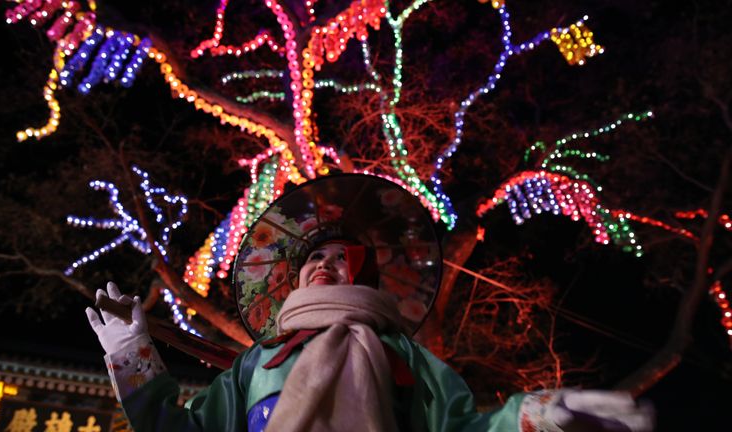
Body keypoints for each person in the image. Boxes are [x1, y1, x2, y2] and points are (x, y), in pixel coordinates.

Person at [86, 175, 654, 431]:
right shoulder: (256, 365)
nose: (326, 264)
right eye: (314, 259)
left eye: (343, 259)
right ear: (299, 279)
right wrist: (134, 357)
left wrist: (537, 417)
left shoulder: (403, 355)